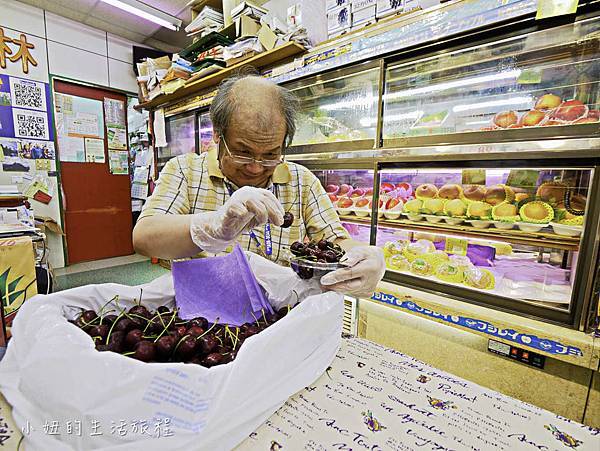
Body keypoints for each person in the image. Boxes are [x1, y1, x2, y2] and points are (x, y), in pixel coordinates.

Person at [133, 75, 385, 298]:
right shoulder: (185, 171)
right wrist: (210, 227)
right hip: (204, 314)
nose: (255, 167)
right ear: (218, 136)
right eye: (243, 153)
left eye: (270, 155)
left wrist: (364, 259)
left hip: (281, 314)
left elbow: (334, 241)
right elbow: (144, 238)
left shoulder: (302, 181)